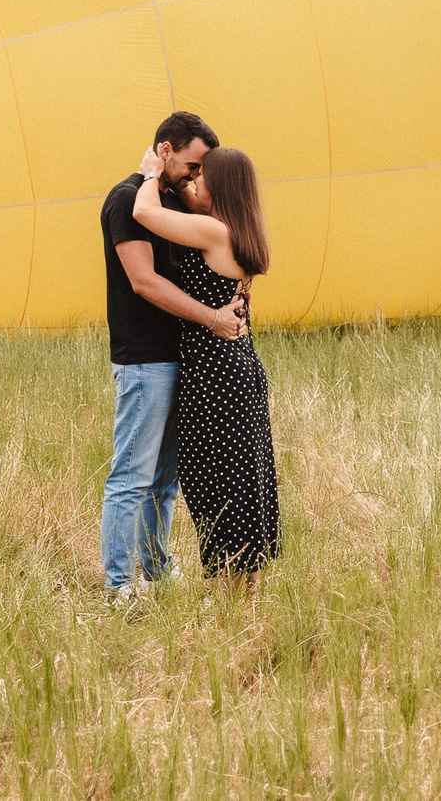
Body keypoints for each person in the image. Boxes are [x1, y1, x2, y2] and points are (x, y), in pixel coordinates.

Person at [99, 111, 245, 602]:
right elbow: (144, 281)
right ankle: (119, 585)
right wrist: (211, 318)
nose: (196, 176)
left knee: (165, 479)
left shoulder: (170, 201)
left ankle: (157, 567)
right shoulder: (127, 199)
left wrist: (171, 183)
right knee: (133, 475)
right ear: (165, 150)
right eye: (191, 164)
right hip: (145, 358)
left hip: (184, 356)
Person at [131, 144, 280, 581]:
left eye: (204, 175)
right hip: (236, 366)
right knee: (241, 481)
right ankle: (243, 595)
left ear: (222, 185)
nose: (197, 181)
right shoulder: (238, 229)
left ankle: (232, 595)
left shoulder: (214, 234)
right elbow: (194, 201)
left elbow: (145, 213)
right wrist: (182, 181)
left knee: (215, 485)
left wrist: (150, 173)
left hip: (215, 374)